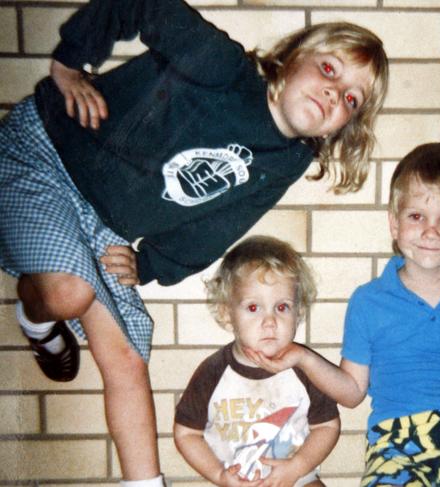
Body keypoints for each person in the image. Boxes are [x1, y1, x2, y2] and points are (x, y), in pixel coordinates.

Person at [0, 0, 388, 484]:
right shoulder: (223, 68)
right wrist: (70, 61)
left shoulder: (284, 161)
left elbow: (219, 226)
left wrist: (150, 264)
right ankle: (35, 316)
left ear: (344, 127)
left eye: (351, 100)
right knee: (70, 294)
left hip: (106, 226)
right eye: (329, 69)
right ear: (292, 59)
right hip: (47, 154)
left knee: (126, 357)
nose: (335, 94)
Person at [246, 143, 440, 486]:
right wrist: (302, 358)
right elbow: (352, 392)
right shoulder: (369, 302)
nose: (431, 231)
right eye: (416, 216)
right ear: (394, 224)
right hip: (398, 443)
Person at [174, 235, 340, 487]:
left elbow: (327, 426)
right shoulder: (214, 372)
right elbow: (186, 433)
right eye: (253, 308)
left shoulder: (303, 369)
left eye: (282, 307)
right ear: (226, 313)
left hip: (296, 480)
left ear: (299, 313)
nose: (270, 321)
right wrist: (219, 475)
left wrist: (297, 467)